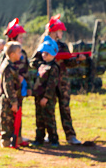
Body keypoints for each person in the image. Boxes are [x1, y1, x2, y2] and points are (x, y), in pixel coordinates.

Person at [29, 14, 85, 145]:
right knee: (49, 110)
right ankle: (51, 135)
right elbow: (33, 61)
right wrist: (45, 65)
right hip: (48, 84)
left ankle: (70, 136)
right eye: (60, 30)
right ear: (54, 31)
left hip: (62, 82)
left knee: (65, 108)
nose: (61, 33)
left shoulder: (62, 46)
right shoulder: (44, 45)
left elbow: (69, 62)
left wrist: (77, 60)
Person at [32, 36, 61, 148]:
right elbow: (32, 62)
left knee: (49, 118)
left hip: (47, 98)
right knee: (39, 119)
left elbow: (51, 84)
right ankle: (39, 139)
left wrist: (46, 97)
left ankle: (54, 139)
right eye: (43, 53)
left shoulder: (54, 67)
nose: (44, 55)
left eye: (46, 54)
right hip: (38, 96)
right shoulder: (41, 65)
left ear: (53, 54)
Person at [0, 41, 23, 148]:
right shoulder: (7, 67)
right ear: (12, 55)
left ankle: (14, 140)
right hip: (7, 99)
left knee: (12, 120)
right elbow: (8, 86)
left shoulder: (10, 65)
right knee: (6, 121)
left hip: (10, 98)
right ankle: (5, 141)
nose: (21, 55)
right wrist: (14, 102)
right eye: (19, 52)